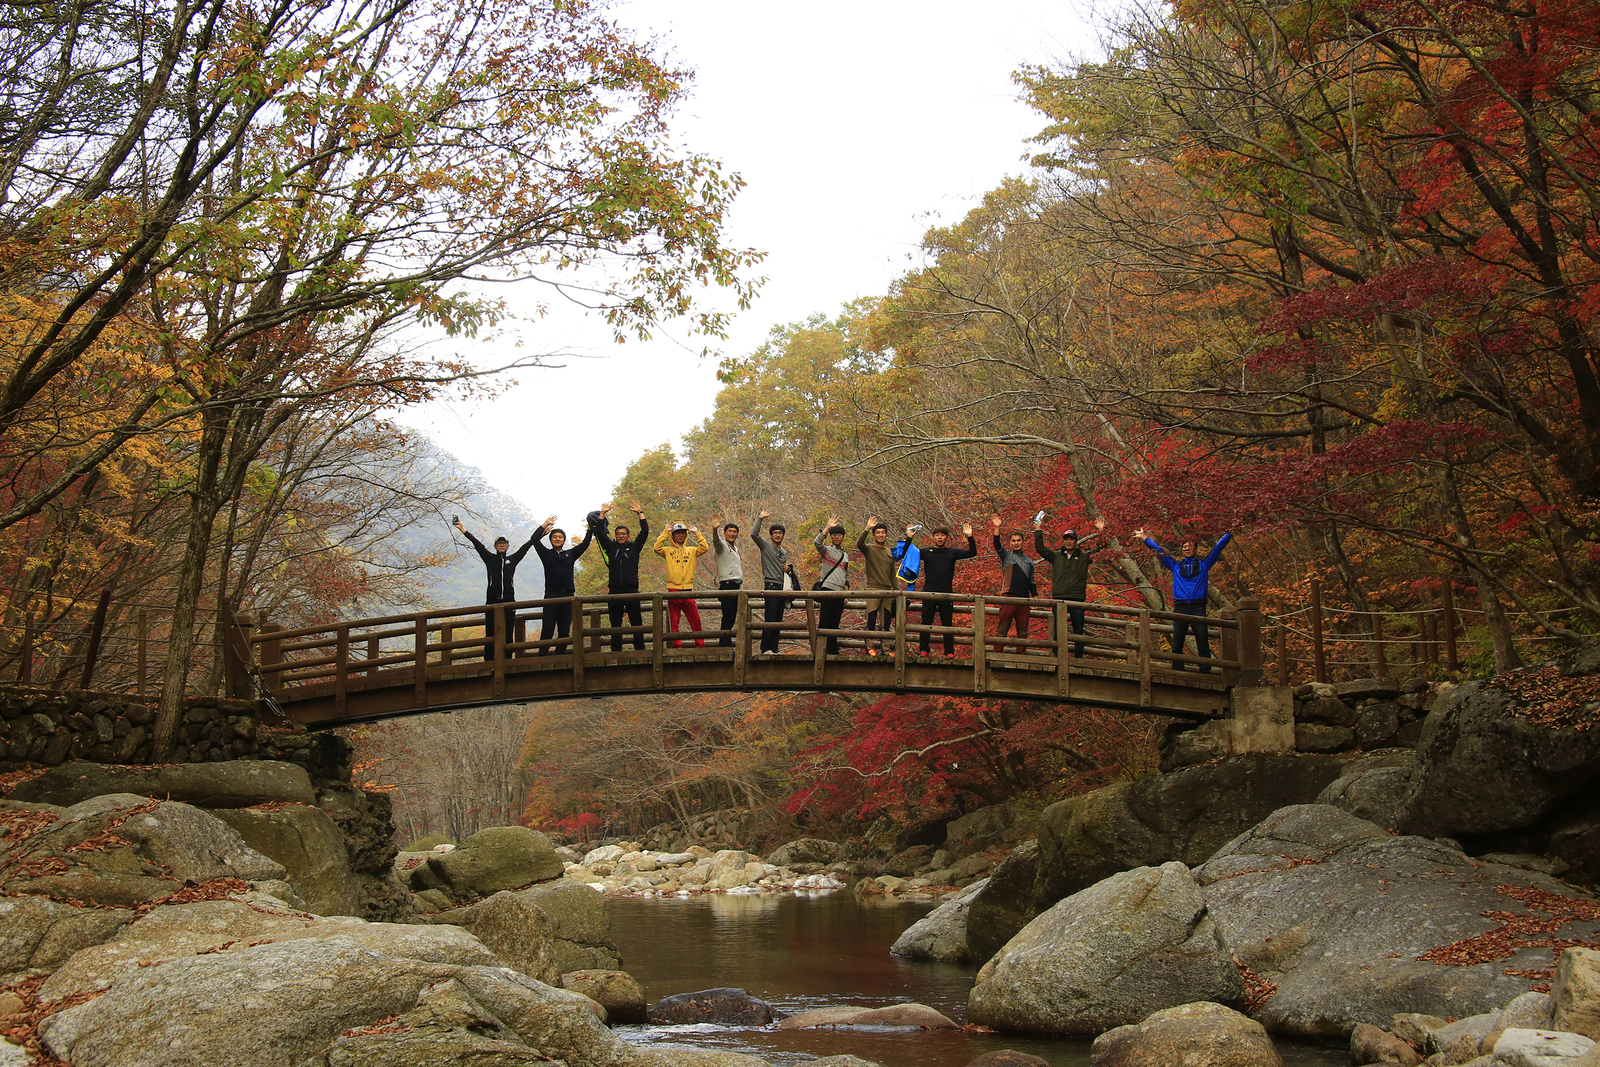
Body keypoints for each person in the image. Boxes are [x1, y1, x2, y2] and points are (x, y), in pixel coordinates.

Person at [1137, 528, 1233, 673]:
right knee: (1177, 644)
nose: (1187, 549)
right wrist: (1145, 538)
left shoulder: (1204, 564)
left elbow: (1218, 548)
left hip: (1198, 608)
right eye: (1184, 546)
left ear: (1196, 548)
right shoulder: (1175, 565)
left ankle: (1205, 673)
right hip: (1180, 607)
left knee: (1202, 643)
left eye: (1190, 546)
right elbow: (1159, 552)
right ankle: (1178, 672)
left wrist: (1229, 532)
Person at [454, 518, 537, 653]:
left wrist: (541, 532)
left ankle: (508, 659)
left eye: (504, 543)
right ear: (495, 546)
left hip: (509, 600)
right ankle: (489, 659)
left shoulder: (512, 559)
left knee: (508, 632)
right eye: (499, 543)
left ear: (508, 546)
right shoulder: (490, 558)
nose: (502, 545)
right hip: (492, 600)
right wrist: (462, 529)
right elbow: (477, 544)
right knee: (490, 633)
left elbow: (526, 546)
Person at [1035, 515, 1105, 657]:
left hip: (1077, 598)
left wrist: (1101, 532)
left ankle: (1078, 659)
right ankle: (1057, 658)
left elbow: (1100, 549)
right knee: (1058, 630)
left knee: (1078, 631)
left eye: (1071, 539)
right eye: (1066, 539)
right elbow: (1040, 549)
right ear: (1064, 541)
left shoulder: (1084, 557)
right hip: (1059, 598)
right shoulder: (1056, 556)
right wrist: (1038, 530)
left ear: (1075, 541)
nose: (1068, 541)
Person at [586, 501, 648, 652]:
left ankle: (640, 650)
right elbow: (600, 532)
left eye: (623, 534)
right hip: (614, 590)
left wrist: (640, 513)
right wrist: (603, 513)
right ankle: (616, 651)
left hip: (632, 590)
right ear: (615, 535)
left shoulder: (634, 547)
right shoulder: (610, 547)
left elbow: (645, 531)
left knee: (636, 622)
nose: (621, 536)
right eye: (618, 534)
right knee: (615, 624)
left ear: (628, 536)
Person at [909, 523, 977, 656]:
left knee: (947, 623)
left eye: (942, 535)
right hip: (929, 592)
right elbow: (908, 552)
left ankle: (949, 652)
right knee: (926, 622)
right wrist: (909, 538)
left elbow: (972, 553)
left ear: (947, 537)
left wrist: (970, 537)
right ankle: (923, 649)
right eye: (937, 535)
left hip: (946, 593)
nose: (939, 537)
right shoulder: (926, 552)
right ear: (933, 537)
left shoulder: (952, 552)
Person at [533, 516, 592, 656]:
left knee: (564, 630)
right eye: (555, 537)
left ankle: (560, 656)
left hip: (568, 596)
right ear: (550, 539)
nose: (557, 539)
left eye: (560, 537)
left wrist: (590, 529)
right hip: (551, 595)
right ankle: (542, 657)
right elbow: (534, 540)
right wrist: (545, 525)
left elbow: (585, 544)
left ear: (564, 540)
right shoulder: (546, 554)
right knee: (548, 629)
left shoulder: (570, 554)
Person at [654, 522, 711, 647]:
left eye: (682, 533)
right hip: (673, 589)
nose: (680, 535)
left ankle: (699, 645)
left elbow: (704, 548)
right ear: (673, 535)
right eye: (677, 533)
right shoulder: (667, 551)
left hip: (688, 589)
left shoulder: (691, 550)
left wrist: (697, 533)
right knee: (674, 620)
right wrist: (665, 532)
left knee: (695, 619)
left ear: (685, 535)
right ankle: (677, 646)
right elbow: (656, 548)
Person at [990, 514, 1037, 655]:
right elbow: (997, 545)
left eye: (1018, 540)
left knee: (1023, 630)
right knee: (1003, 628)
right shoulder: (1007, 556)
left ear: (1023, 542)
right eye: (1013, 541)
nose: (1016, 543)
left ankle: (1021, 654)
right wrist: (997, 527)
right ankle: (997, 654)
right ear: (1010, 543)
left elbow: (1032, 581)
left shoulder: (1029, 561)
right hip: (1008, 596)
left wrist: (1035, 597)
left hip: (1024, 599)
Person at [750, 510, 790, 654]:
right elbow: (754, 534)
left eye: (780, 533)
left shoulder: (784, 552)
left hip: (781, 587)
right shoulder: (766, 546)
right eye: (775, 533)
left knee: (778, 619)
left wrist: (788, 570)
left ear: (783, 535)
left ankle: (774, 648)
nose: (777, 535)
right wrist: (760, 518)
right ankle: (765, 648)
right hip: (770, 585)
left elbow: (783, 570)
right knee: (770, 618)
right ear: (771, 535)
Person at [856, 516, 896, 655]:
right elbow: (859, 544)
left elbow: (892, 575)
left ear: (886, 535)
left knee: (886, 622)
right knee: (871, 619)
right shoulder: (869, 549)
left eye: (883, 532)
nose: (881, 535)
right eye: (878, 532)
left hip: (887, 591)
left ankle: (886, 649)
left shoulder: (889, 552)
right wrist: (867, 529)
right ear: (874, 536)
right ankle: (870, 647)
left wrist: (897, 592)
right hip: (873, 589)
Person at [812, 516, 850, 655]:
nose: (837, 537)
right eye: (834, 534)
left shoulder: (845, 555)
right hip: (827, 589)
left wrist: (846, 593)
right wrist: (827, 528)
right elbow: (817, 542)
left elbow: (846, 576)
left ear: (843, 536)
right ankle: (821, 648)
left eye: (839, 534)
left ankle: (832, 648)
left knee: (835, 621)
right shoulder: (826, 550)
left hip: (840, 592)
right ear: (831, 536)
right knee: (825, 619)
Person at [710, 518, 743, 648]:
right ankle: (725, 646)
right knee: (728, 617)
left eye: (735, 531)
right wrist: (714, 529)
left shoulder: (735, 548)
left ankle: (726, 644)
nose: (732, 534)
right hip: (727, 585)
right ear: (724, 533)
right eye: (730, 531)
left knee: (732, 617)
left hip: (736, 586)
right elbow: (716, 542)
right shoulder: (722, 546)